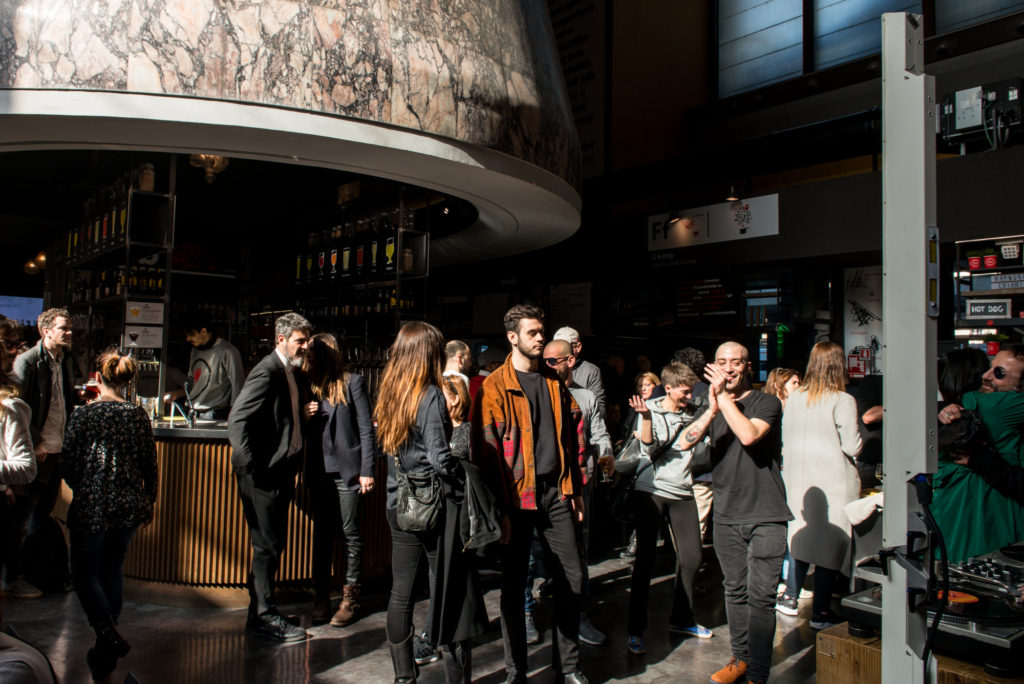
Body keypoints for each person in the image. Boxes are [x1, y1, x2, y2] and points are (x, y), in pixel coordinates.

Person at [472, 305, 588, 684]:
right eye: (533, 332)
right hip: (516, 497)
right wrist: (500, 509)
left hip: (556, 492)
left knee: (572, 579)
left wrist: (576, 488)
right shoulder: (494, 386)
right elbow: (486, 453)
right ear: (513, 337)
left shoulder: (554, 381)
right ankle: (515, 669)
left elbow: (575, 435)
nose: (540, 338)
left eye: (542, 331)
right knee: (513, 584)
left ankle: (568, 666)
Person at [378, 322, 484, 684]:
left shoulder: (391, 390)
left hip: (398, 503)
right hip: (435, 507)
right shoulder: (430, 394)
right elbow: (440, 459)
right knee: (448, 588)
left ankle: (404, 677)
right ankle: (456, 678)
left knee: (401, 594)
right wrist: (463, 479)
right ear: (429, 353)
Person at [62, 351, 158, 682]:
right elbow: (150, 464)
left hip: (92, 504)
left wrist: (85, 487)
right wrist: (149, 501)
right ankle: (109, 634)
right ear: (129, 381)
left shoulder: (82, 416)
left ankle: (106, 632)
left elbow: (70, 463)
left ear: (98, 379)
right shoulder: (138, 415)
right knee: (112, 568)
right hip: (129, 505)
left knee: (84, 574)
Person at [704, 341, 791, 684]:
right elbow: (688, 443)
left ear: (748, 366)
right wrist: (710, 409)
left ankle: (757, 672)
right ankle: (739, 659)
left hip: (766, 514)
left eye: (735, 362)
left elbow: (749, 434)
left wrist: (722, 400)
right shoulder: (714, 404)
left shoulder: (766, 402)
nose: (728, 368)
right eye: (722, 362)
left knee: (761, 597)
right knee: (734, 590)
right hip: (726, 513)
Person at [227, 312, 311, 642]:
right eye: (299, 341)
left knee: (273, 545)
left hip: (281, 470)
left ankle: (262, 610)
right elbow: (237, 419)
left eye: (306, 340)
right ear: (281, 340)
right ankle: (264, 616)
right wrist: (252, 467)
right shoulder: (267, 371)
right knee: (266, 547)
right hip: (263, 475)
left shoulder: (290, 370)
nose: (305, 346)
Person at [624, 362, 717, 656]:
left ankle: (683, 618)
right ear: (670, 387)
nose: (688, 396)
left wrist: (711, 410)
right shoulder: (649, 408)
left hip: (682, 489)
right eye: (684, 391)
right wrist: (647, 419)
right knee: (646, 560)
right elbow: (650, 448)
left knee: (692, 557)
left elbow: (692, 442)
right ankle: (635, 630)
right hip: (651, 489)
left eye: (690, 391)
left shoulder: (694, 411)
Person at [775, 342, 862, 629]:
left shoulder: (796, 397)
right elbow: (851, 446)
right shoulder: (843, 400)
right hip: (833, 481)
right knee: (829, 547)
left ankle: (790, 597)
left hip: (798, 481)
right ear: (839, 365)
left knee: (801, 540)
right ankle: (821, 612)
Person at [534, 338, 614, 647]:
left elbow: (599, 433)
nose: (548, 365)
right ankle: (531, 612)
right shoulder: (537, 392)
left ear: (571, 361)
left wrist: (605, 456)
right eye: (546, 361)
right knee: (533, 554)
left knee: (579, 552)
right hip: (543, 486)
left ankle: (579, 616)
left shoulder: (586, 397)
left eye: (554, 360)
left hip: (579, 485)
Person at [302, 333, 375, 627]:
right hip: (319, 469)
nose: (309, 359)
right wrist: (305, 415)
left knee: (351, 535)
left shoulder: (352, 382)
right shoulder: (309, 385)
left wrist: (367, 470)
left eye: (313, 354)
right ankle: (320, 595)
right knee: (321, 536)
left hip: (348, 471)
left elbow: (366, 429)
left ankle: (350, 597)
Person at [8, 308, 76, 599]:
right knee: (20, 517)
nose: (69, 333)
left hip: (57, 449)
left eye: (70, 328)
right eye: (63, 328)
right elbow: (16, 404)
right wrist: (34, 442)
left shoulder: (64, 360)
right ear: (45, 331)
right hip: (38, 452)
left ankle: (32, 573)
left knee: (42, 514)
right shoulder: (28, 361)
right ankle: (13, 578)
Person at [935, 345, 1024, 562]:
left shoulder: (958, 409)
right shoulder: (999, 405)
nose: (987, 376)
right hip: (989, 509)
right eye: (989, 367)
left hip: (953, 511)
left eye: (999, 372)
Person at [163, 312, 244, 419]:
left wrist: (235, 417)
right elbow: (193, 384)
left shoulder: (228, 352)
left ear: (204, 331)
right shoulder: (195, 350)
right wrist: (176, 394)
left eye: (191, 334)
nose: (187, 339)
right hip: (193, 412)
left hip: (215, 414)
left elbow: (238, 387)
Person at [552, 326, 605, 418]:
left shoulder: (590, 371)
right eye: (555, 345)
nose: (559, 350)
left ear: (578, 347)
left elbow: (599, 409)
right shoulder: (549, 367)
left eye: (565, 346)